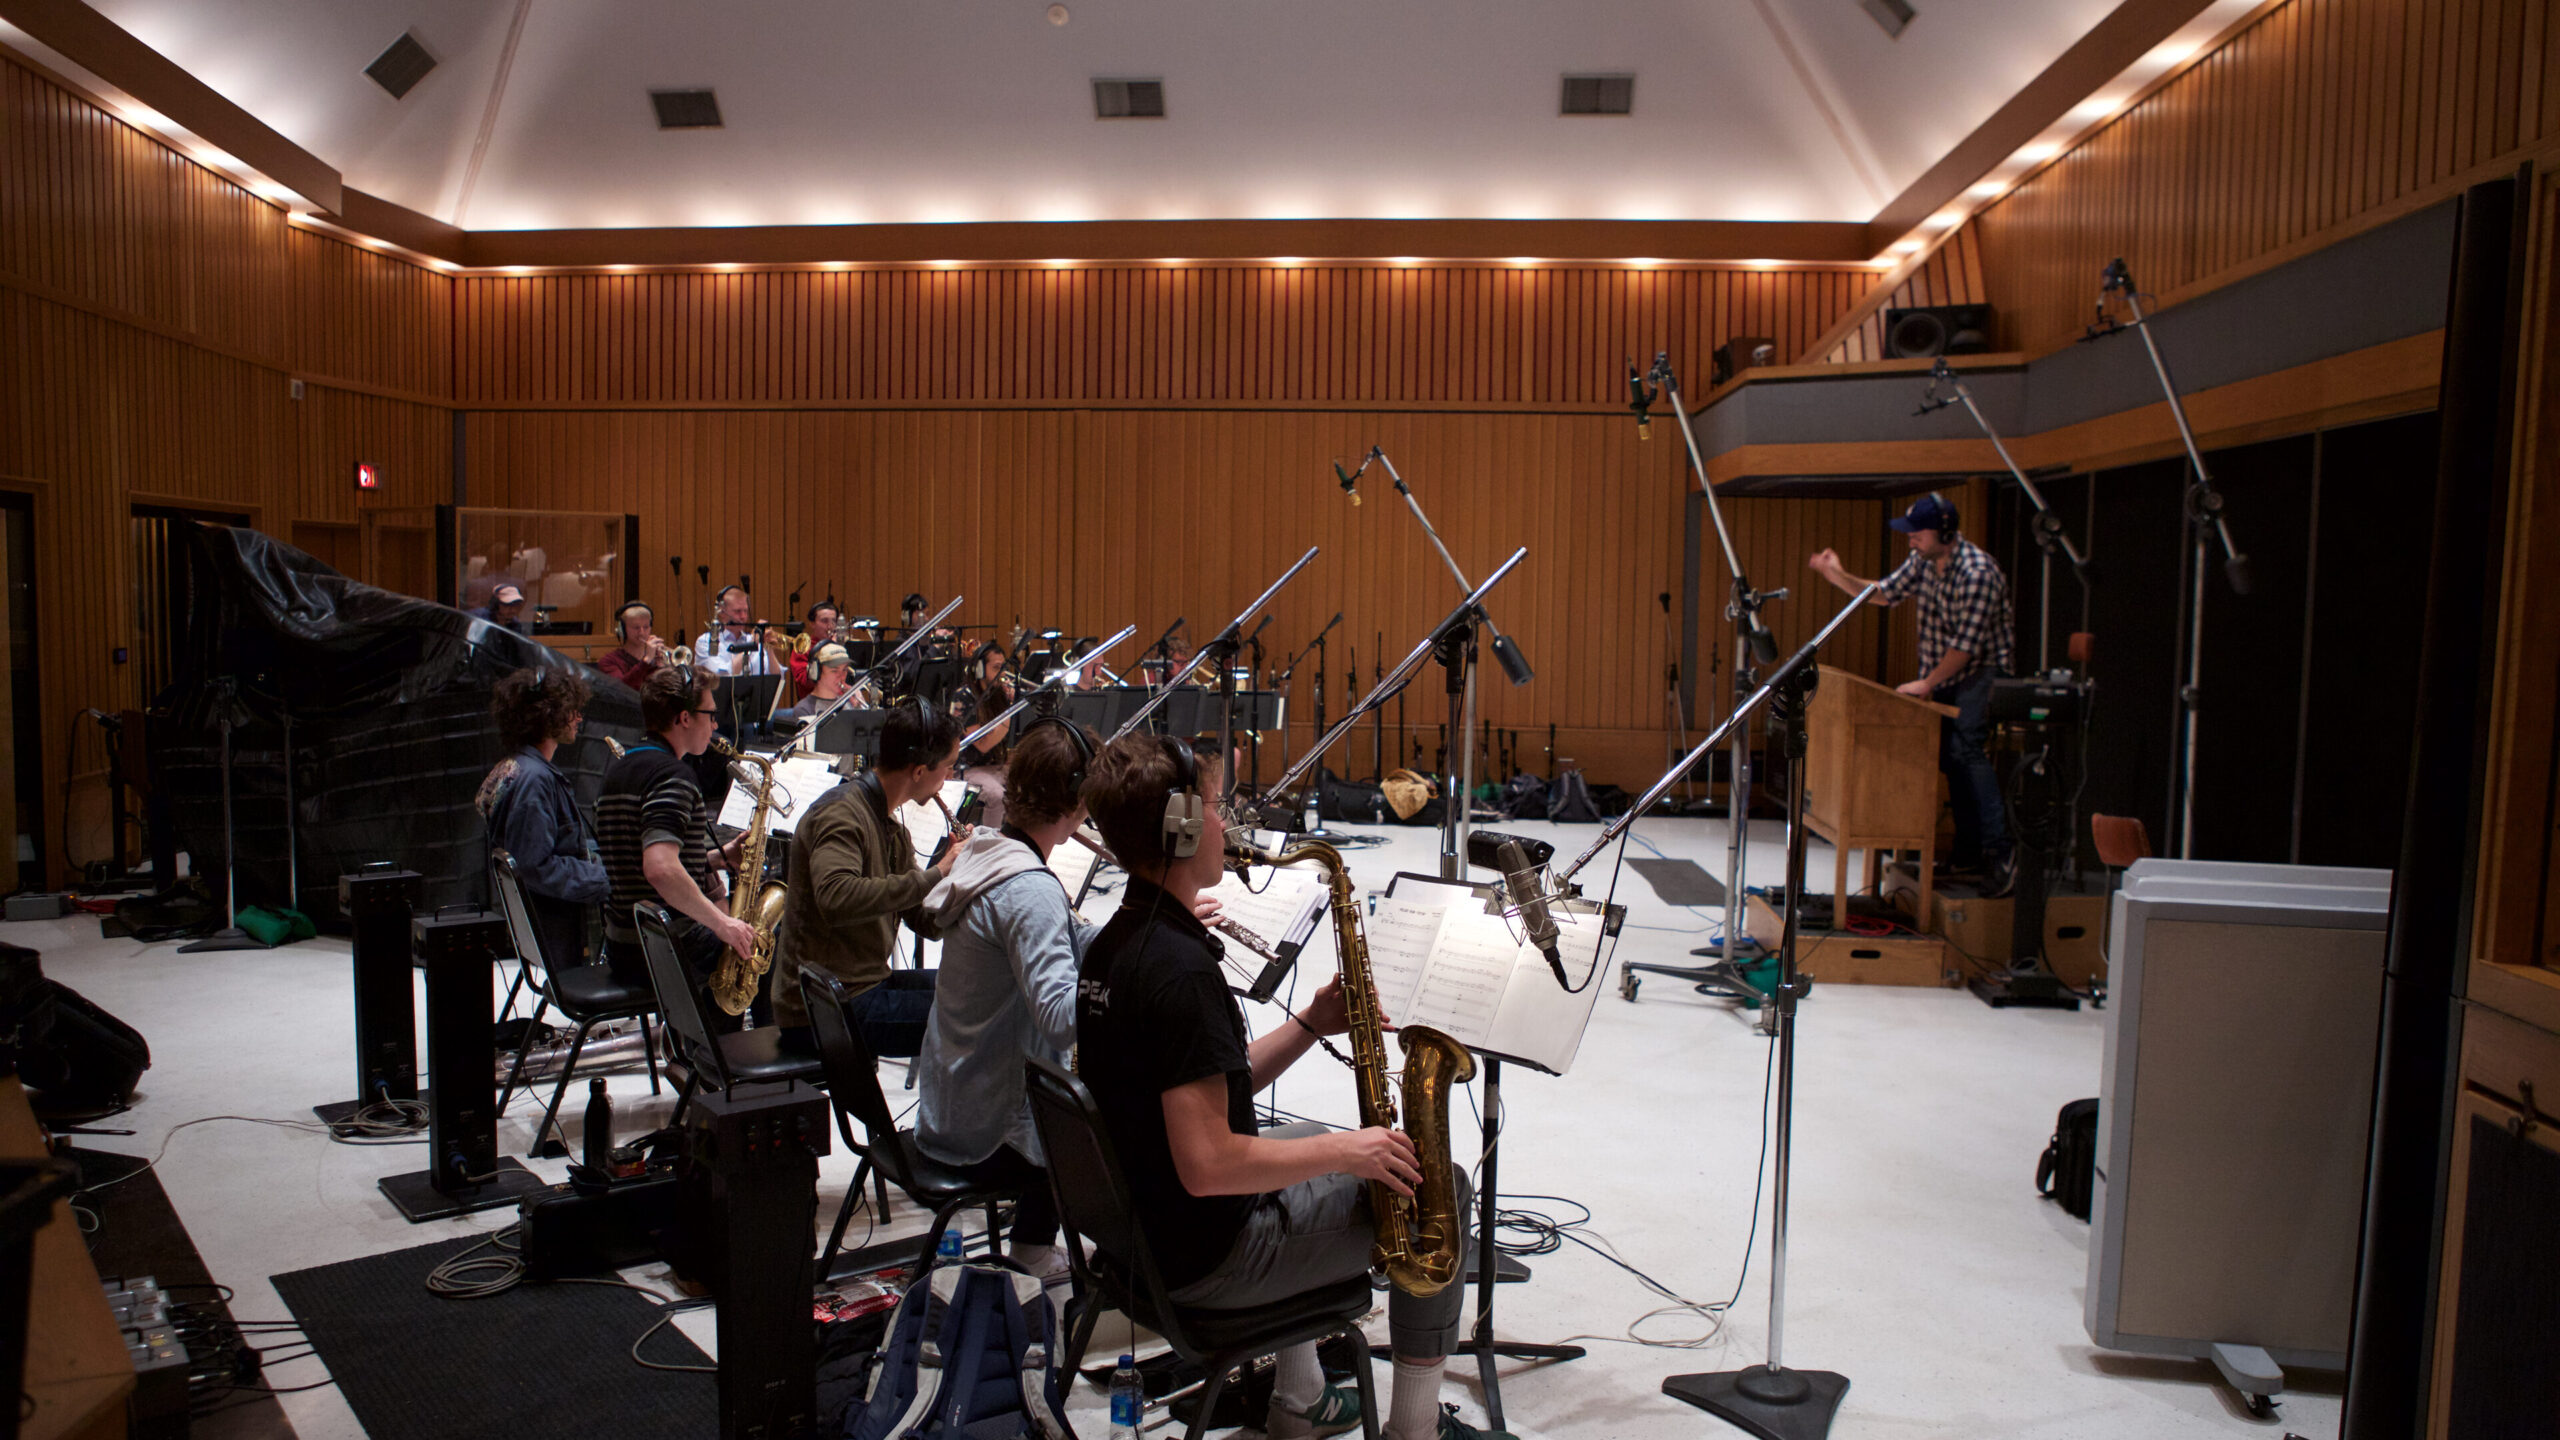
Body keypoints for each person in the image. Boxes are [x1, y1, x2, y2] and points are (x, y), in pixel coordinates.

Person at [1075, 734, 1506, 1440]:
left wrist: (1310, 1021)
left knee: (1303, 1140)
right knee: (1437, 1185)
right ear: (1181, 827)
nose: (1227, 823)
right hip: (1209, 1260)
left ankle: (1298, 1400)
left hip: (1138, 1239)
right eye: (1215, 807)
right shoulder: (1179, 973)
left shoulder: (1117, 943)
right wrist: (1348, 1151)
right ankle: (1416, 1427)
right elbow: (1210, 1164)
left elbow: (1205, 1088)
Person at [914, 720, 1103, 1284]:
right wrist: (1133, 997)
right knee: (1106, 1105)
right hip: (983, 1131)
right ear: (1075, 806)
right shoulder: (1031, 887)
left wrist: (1139, 931)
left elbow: (1067, 935)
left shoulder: (988, 850)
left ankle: (1033, 1240)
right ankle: (1035, 1252)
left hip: (948, 1103)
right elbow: (1063, 1018)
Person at [1808, 492, 2017, 895]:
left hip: (1983, 672)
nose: (1910, 541)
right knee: (1948, 757)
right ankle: (1968, 849)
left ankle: (2000, 852)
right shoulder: (1923, 561)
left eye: (1917, 534)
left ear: (1944, 532)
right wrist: (1839, 575)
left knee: (1968, 751)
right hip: (1945, 673)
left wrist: (1927, 682)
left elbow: (1966, 647)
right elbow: (1884, 593)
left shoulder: (1978, 573)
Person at [769, 702, 964, 1058]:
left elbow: (925, 922)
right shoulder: (842, 814)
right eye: (949, 767)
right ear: (919, 771)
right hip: (820, 1008)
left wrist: (961, 881)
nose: (950, 777)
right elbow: (836, 898)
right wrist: (938, 873)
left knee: (976, 989)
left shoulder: (890, 827)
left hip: (859, 986)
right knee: (979, 1016)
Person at [594, 666, 759, 1024]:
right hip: (665, 946)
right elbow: (660, 868)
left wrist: (716, 858)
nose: (715, 725)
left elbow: (641, 860)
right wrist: (722, 924)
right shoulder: (672, 775)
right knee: (765, 951)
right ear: (684, 718)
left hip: (623, 942)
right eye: (710, 715)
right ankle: (742, 1064)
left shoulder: (620, 768)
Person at [476, 668, 608, 972]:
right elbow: (536, 866)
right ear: (547, 716)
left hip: (549, 921)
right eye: (571, 711)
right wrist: (608, 877)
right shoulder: (534, 781)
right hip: (555, 924)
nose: (578, 718)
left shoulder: (517, 766)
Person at [694, 584, 789, 678]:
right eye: (737, 611)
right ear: (722, 613)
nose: (743, 617)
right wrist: (752, 644)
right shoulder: (705, 641)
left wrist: (769, 650)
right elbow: (721, 676)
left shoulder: (752, 640)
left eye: (745, 611)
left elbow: (777, 678)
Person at [773, 643, 857, 726]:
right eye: (834, 671)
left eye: (844, 670)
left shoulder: (849, 703)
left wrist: (859, 708)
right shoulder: (805, 709)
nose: (841, 676)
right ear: (816, 672)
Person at [596, 601, 671, 689]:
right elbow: (621, 690)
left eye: (646, 627)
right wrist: (646, 661)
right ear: (622, 630)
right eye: (636, 627)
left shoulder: (658, 657)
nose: (641, 633)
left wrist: (663, 669)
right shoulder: (608, 661)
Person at [784, 602, 844, 700]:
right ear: (812, 624)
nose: (830, 626)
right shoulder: (803, 648)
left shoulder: (840, 646)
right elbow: (807, 682)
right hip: (813, 705)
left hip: (839, 701)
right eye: (824, 621)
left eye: (833, 621)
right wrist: (830, 651)